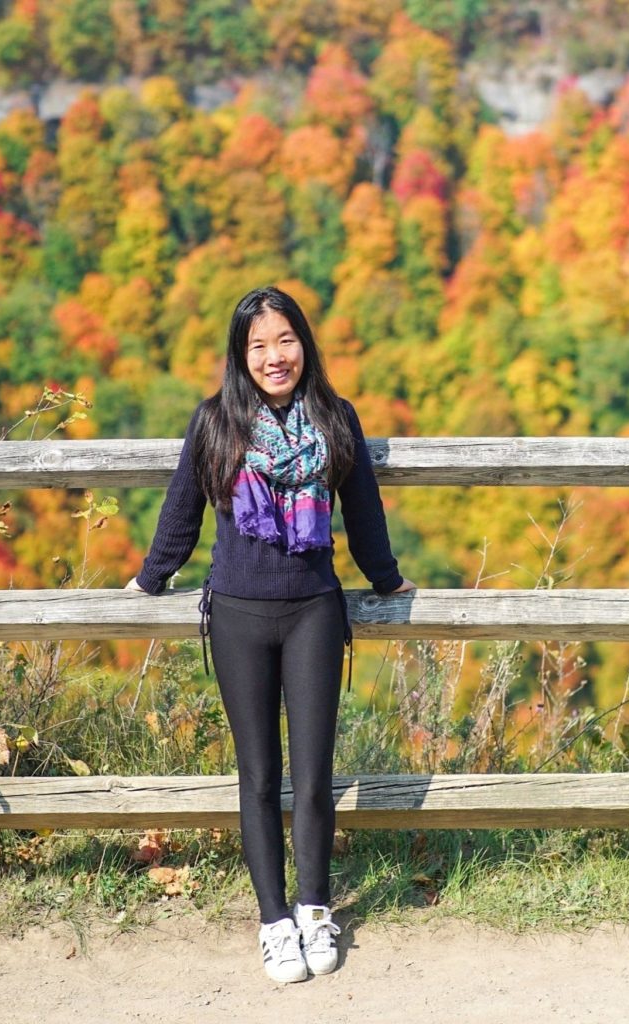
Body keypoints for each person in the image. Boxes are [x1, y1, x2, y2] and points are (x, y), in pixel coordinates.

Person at [126, 285, 414, 983]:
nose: (273, 356)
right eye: (257, 345)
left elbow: (363, 513)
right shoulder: (215, 422)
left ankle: (316, 908)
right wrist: (150, 577)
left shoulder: (334, 419)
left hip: (314, 609)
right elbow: (181, 512)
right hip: (238, 614)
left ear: (303, 344)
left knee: (313, 776)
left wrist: (385, 579)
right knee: (258, 778)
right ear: (240, 355)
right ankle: (273, 921)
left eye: (284, 340)